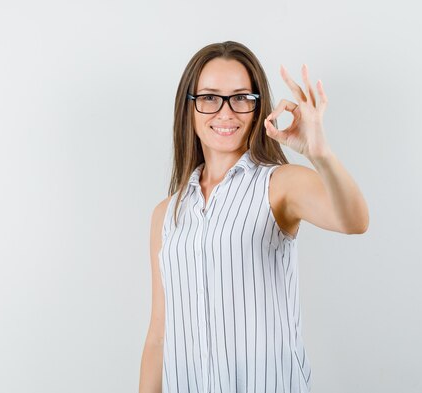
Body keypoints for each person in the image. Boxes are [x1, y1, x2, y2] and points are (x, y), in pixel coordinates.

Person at [138, 41, 369, 393]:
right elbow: (158, 336)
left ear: (258, 107)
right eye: (210, 97)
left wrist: (320, 154)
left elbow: (355, 220)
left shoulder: (279, 184)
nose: (226, 113)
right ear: (189, 107)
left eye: (241, 98)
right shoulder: (166, 214)